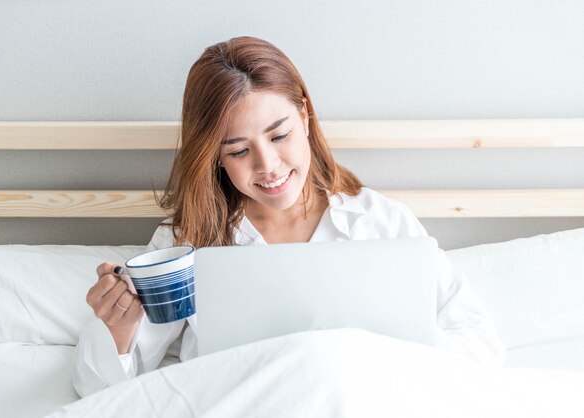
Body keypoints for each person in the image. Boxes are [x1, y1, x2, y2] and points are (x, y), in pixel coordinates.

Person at [72, 36, 506, 397]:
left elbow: (479, 344)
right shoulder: (187, 243)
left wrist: (375, 361)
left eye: (280, 135)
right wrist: (117, 329)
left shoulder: (380, 223)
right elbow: (100, 390)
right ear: (215, 158)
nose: (269, 166)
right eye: (239, 150)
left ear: (304, 115)